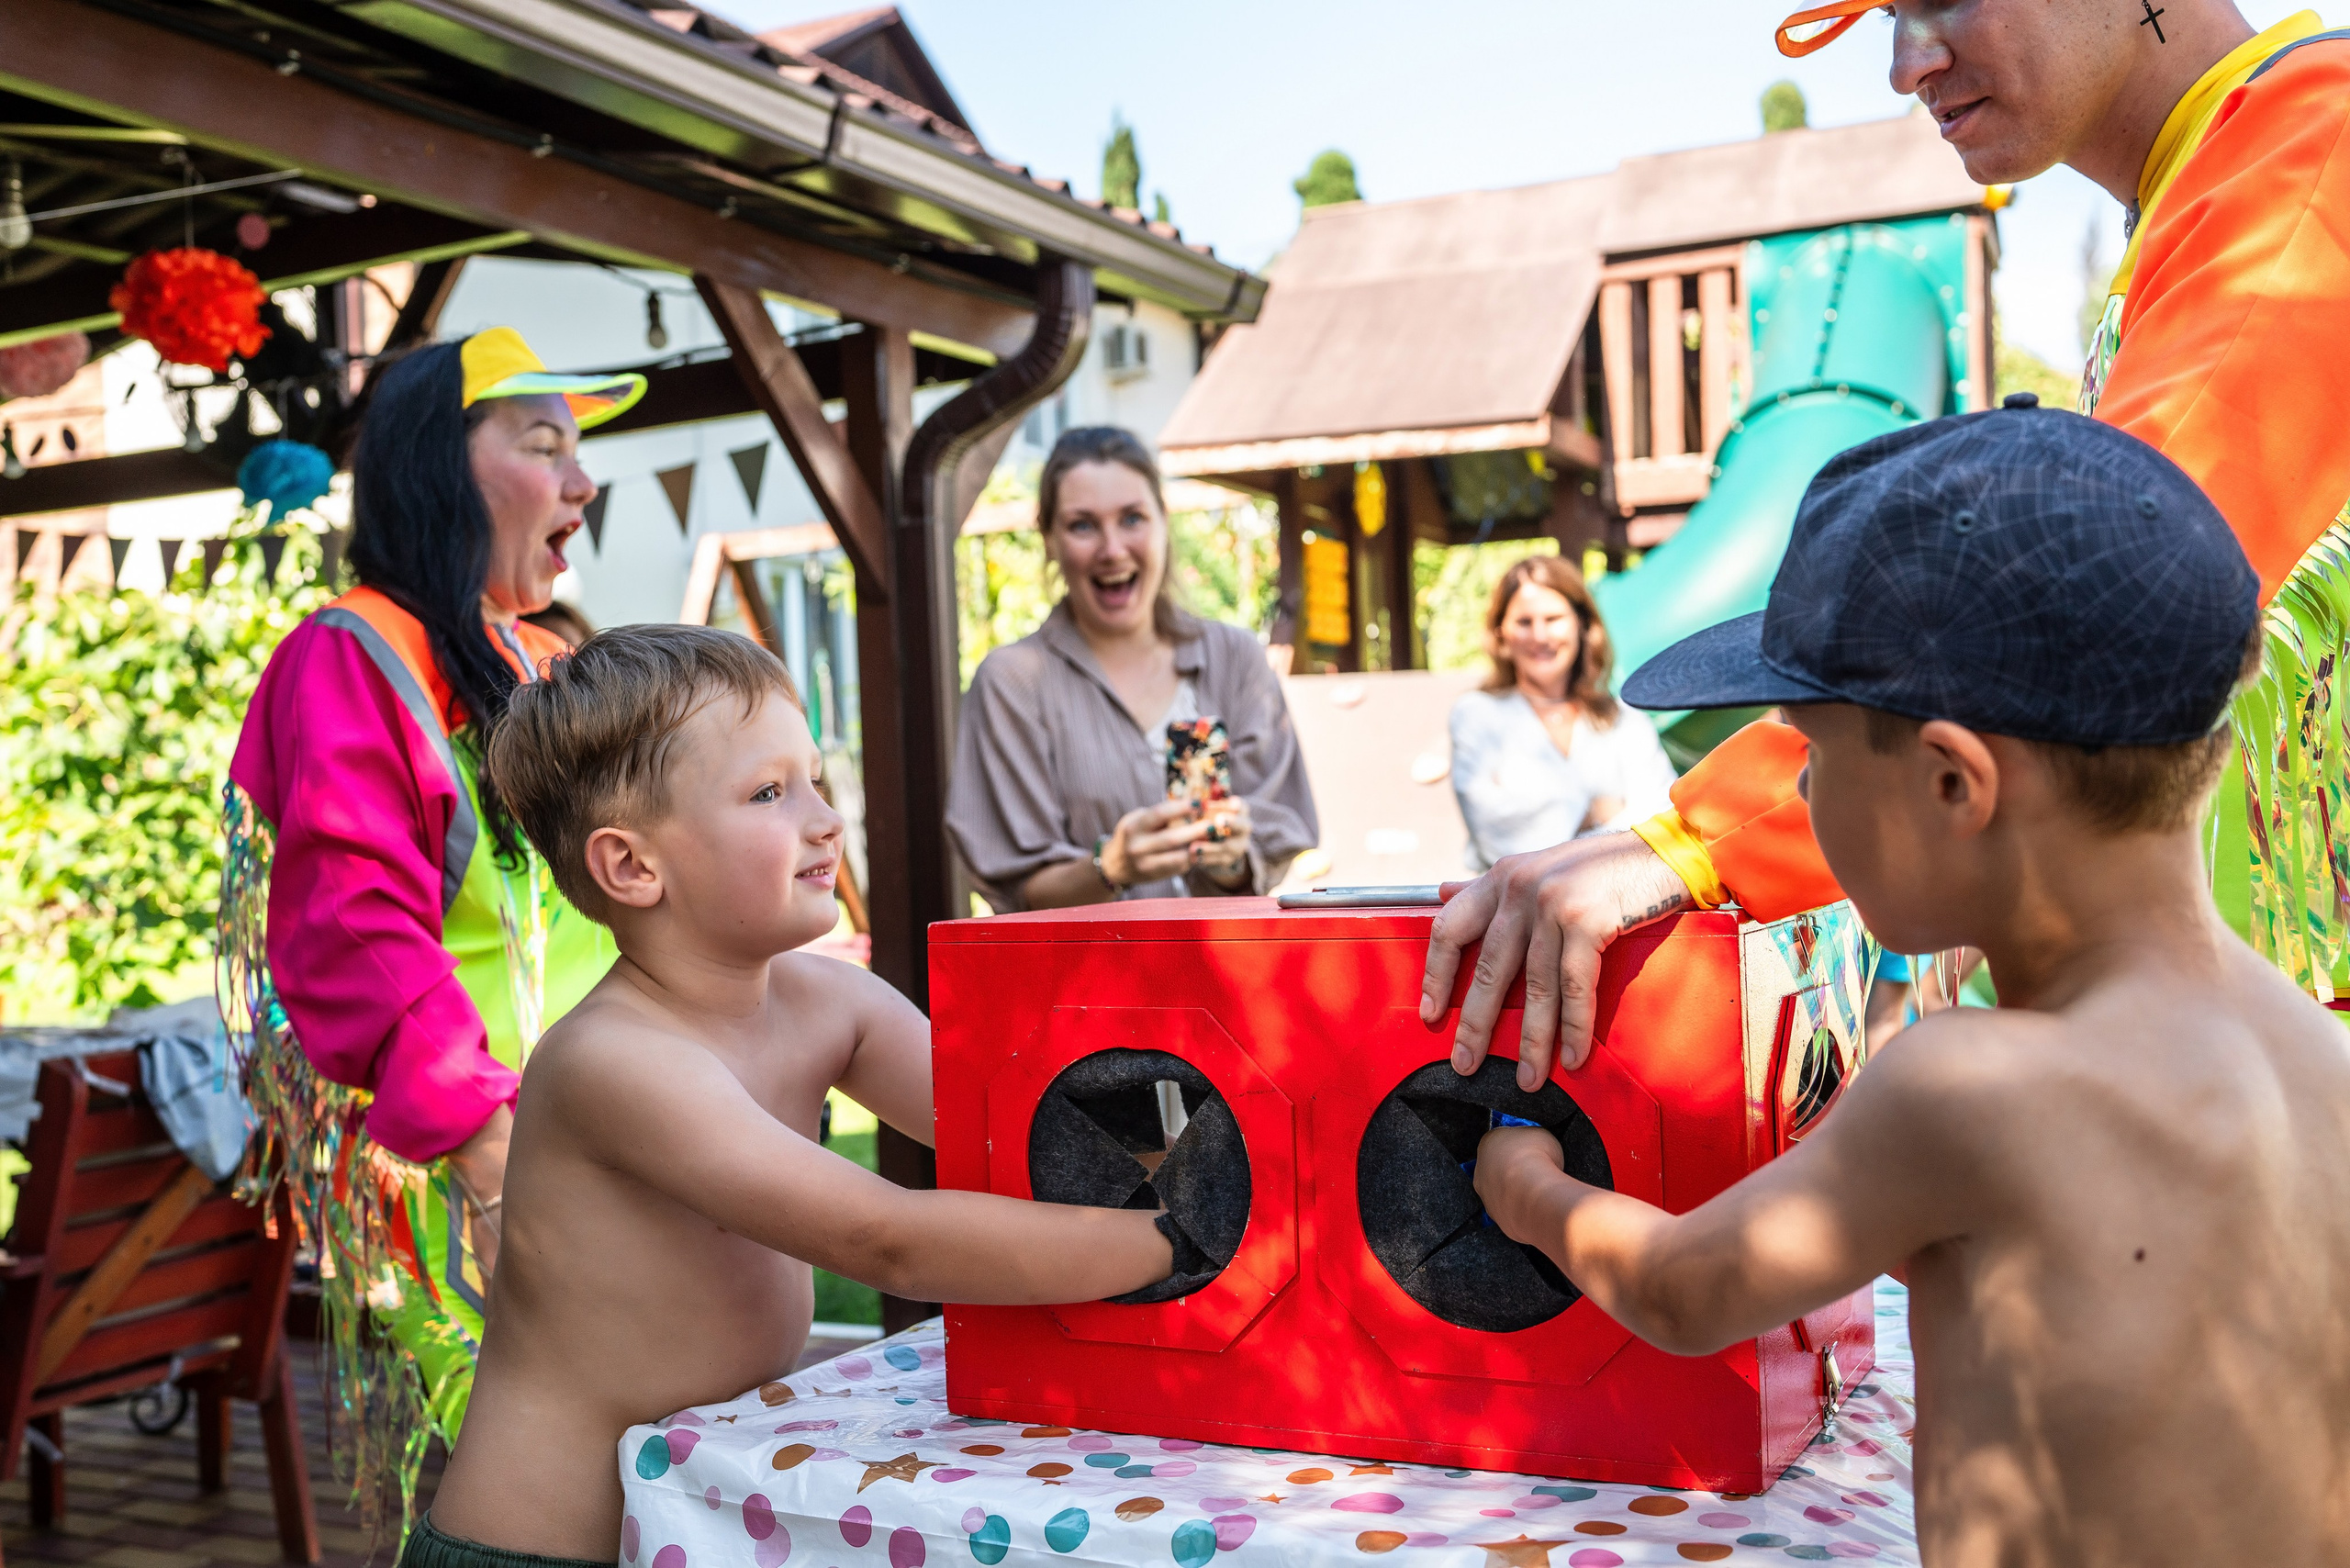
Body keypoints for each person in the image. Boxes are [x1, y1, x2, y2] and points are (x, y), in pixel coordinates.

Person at [1474, 406, 2350, 1567]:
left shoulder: (1962, 1086)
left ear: (1952, 783)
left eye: (1810, 749)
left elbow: (1684, 1292)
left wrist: (1523, 1182)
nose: (1805, 794)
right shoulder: (2312, 1045)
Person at [1425, 0, 2350, 1086]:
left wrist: (1701, 840)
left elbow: (2087, 606)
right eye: (1886, 16)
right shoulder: (2221, 174)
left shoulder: (2308, 146)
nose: (1908, 65)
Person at [414, 624, 1175, 1568]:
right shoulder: (613, 1060)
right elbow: (885, 1236)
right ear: (633, 866)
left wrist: (1173, 1152)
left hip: (701, 1518)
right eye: (770, 792)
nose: (825, 818)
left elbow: (1025, 1129)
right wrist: (1177, 1243)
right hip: (539, 1550)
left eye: (815, 777)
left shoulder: (828, 1002)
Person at [219, 328, 644, 1511]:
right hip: (471, 1173)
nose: (583, 481)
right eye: (544, 444)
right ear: (434, 468)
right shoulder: (350, 652)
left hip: (595, 1150)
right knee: (537, 1493)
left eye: (581, 450)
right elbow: (356, 929)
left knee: (617, 1480)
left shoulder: (532, 656)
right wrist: (496, 1164)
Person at [947, 427, 1317, 909]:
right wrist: (1112, 867)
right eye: (1083, 525)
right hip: (1085, 980)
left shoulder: (1237, 658)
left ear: (1163, 522)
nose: (1112, 549)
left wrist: (1228, 858)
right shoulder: (1012, 683)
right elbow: (1018, 887)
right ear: (1049, 540)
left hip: (1225, 974)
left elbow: (1274, 839)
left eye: (1132, 519)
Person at [1449, 554, 1676, 868]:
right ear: (1501, 632)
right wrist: (1594, 812)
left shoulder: (1624, 719)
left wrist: (1556, 819)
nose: (1540, 637)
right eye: (1524, 622)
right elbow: (1495, 834)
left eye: (1553, 619)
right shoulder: (1476, 715)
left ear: (1581, 623)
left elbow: (1663, 823)